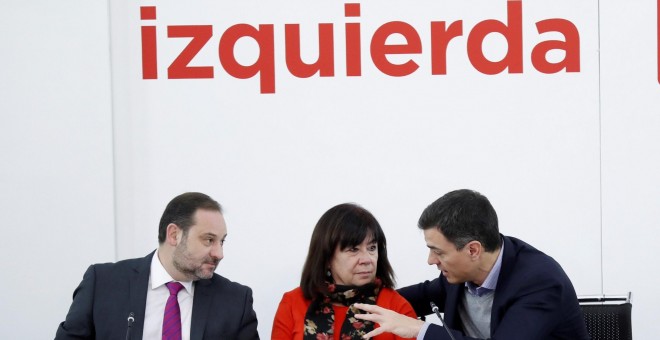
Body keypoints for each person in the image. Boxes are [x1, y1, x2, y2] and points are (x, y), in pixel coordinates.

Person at [354, 189, 589, 340]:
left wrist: (419, 330)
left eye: (438, 252)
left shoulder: (541, 282)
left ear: (473, 250)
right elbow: (418, 297)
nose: (431, 261)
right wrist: (353, 303)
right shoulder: (460, 277)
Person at [55, 192, 259, 339]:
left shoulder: (235, 301)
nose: (219, 253)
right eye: (208, 240)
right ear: (174, 235)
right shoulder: (103, 283)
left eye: (221, 241)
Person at [271, 203, 417, 340]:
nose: (367, 259)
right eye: (353, 250)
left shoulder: (397, 307)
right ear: (327, 257)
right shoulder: (292, 303)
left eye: (372, 248)